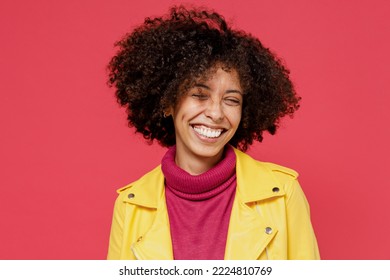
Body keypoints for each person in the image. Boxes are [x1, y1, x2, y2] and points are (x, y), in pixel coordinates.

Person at [106, 6, 320, 260]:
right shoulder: (131, 205)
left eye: (231, 100)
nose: (216, 113)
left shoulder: (283, 194)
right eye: (199, 95)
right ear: (167, 102)